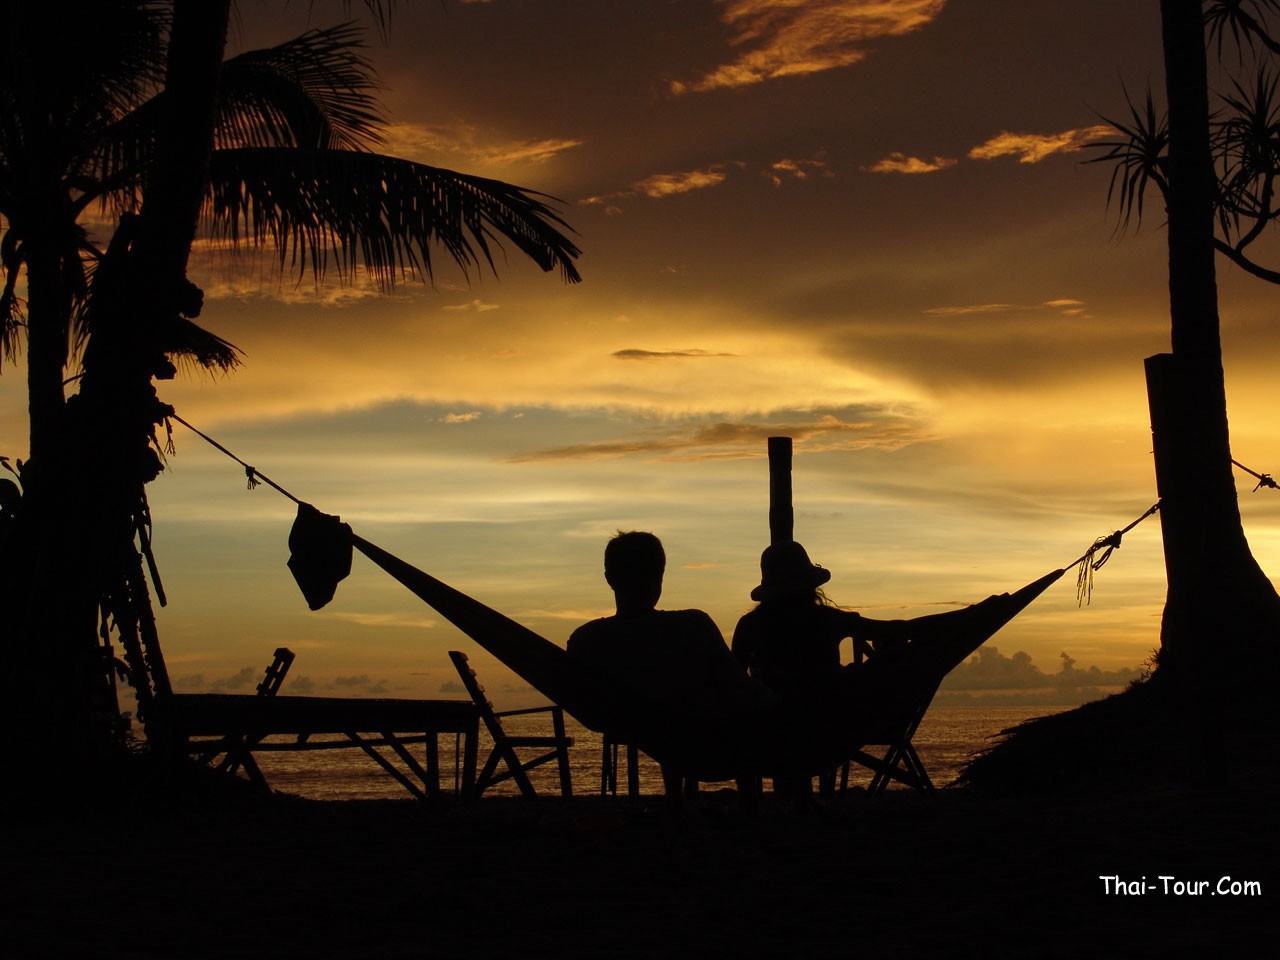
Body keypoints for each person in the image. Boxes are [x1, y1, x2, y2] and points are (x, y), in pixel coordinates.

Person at [567, 531, 774, 800]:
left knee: (665, 722)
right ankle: (751, 808)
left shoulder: (585, 640)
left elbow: (586, 703)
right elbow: (737, 686)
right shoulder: (692, 626)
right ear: (660, 578)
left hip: (652, 737)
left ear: (609, 578)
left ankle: (675, 804)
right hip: (713, 744)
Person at [732, 540, 907, 799]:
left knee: (755, 713)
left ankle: (752, 808)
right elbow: (893, 630)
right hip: (828, 732)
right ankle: (801, 802)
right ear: (810, 586)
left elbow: (733, 681)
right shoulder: (828, 620)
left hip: (771, 736)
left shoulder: (750, 625)